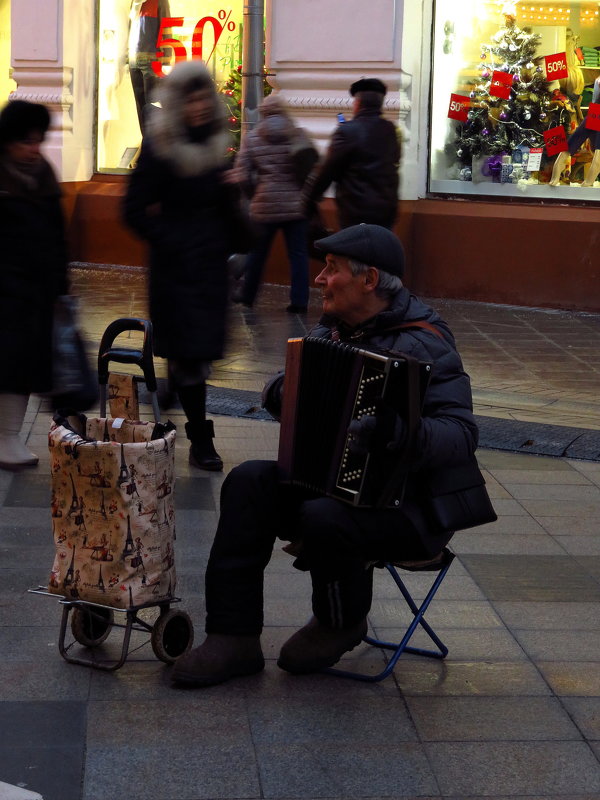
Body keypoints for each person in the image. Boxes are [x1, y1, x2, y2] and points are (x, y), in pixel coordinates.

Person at [172, 223, 479, 688]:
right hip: (334, 486)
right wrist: (280, 390)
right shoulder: (334, 330)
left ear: (369, 280)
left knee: (324, 515)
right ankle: (232, 636)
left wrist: (401, 432)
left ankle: (340, 620)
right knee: (248, 482)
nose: (319, 280)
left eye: (332, 270)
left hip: (410, 508)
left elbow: (461, 433)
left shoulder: (425, 341)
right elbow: (289, 379)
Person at [124, 59, 240, 472]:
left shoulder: (216, 151)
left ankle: (173, 390)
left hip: (209, 273)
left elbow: (235, 223)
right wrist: (172, 240)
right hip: (176, 272)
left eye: (203, 97)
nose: (199, 107)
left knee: (199, 353)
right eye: (190, 99)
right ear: (177, 103)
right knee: (192, 356)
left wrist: (238, 200)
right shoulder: (161, 149)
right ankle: (200, 441)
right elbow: (132, 210)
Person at [0, 100, 69, 471]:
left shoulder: (43, 173)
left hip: (35, 292)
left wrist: (60, 283)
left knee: (22, 367)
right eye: (25, 141)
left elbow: (58, 234)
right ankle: (6, 438)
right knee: (9, 364)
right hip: (5, 291)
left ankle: (9, 436)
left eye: (38, 140)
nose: (33, 148)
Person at [230, 93, 316, 313]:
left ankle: (248, 295)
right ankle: (299, 301)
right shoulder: (297, 134)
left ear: (264, 112)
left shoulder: (253, 137)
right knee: (298, 254)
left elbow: (242, 174)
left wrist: (254, 193)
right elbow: (311, 166)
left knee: (258, 254)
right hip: (296, 205)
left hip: (265, 204)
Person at [304, 78, 400, 230]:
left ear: (358, 103)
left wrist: (308, 199)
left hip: (357, 209)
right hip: (386, 208)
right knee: (378, 250)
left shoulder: (347, 131)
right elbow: (395, 159)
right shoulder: (390, 130)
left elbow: (327, 169)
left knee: (357, 251)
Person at [128, 0, 171, 133]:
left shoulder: (159, 1)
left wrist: (166, 59)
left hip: (152, 60)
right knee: (139, 108)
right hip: (134, 59)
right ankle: (146, 141)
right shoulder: (134, 3)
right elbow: (130, 29)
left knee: (153, 106)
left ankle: (156, 144)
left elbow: (166, 27)